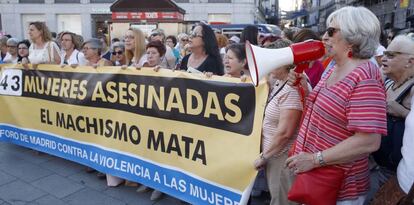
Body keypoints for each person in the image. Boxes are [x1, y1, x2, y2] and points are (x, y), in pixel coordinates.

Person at [285, 6, 387, 204]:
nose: (324, 37)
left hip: (340, 188)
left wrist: (315, 159)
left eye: (331, 31)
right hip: (317, 179)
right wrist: (303, 87)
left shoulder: (366, 76)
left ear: (353, 36)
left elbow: (369, 141)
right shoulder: (334, 66)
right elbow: (320, 111)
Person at [254, 39, 305, 205]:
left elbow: (285, 133)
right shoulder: (280, 82)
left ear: (286, 63)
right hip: (275, 155)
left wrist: (265, 156)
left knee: (281, 200)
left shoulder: (291, 89)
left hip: (281, 157)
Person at [366, 34, 414, 204]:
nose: (384, 58)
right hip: (377, 164)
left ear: (410, 62)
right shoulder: (387, 82)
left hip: (398, 174)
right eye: (385, 53)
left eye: (392, 55)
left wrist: (402, 112)